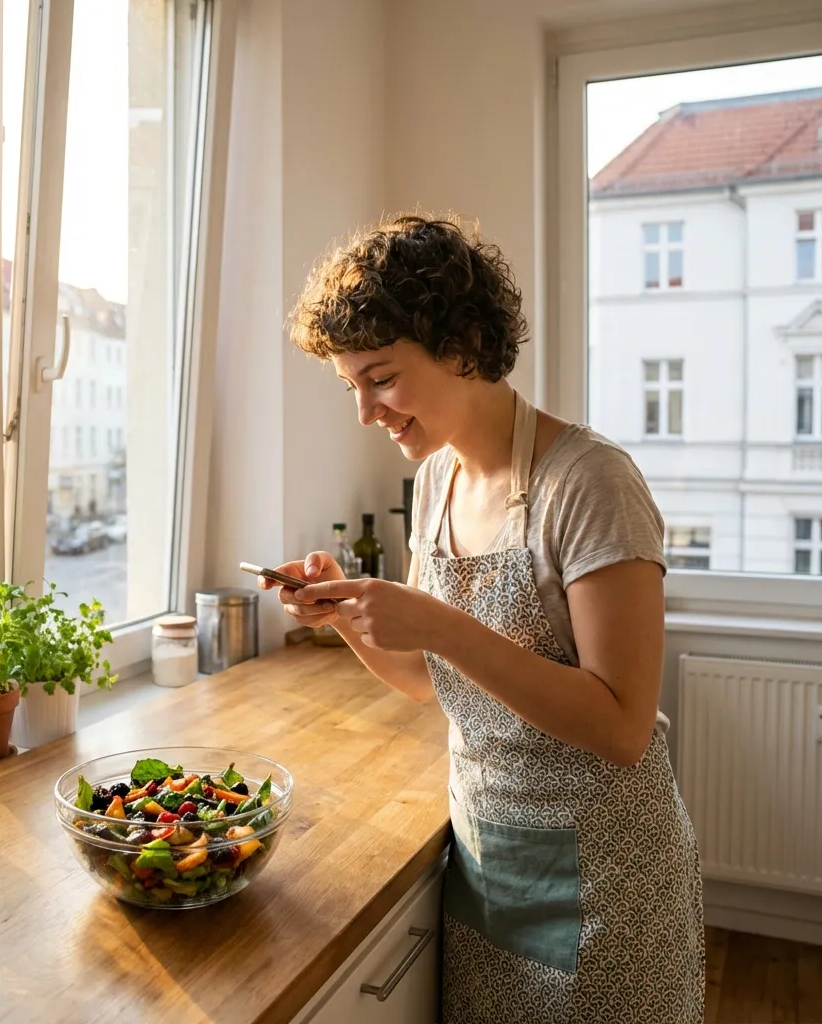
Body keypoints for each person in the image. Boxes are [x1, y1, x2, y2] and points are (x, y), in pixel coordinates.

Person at [261, 215, 704, 1023]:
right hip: (488, 862)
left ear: (462, 344)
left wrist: (435, 622)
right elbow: (427, 682)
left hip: (607, 885)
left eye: (382, 378)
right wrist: (352, 617)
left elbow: (621, 726)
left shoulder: (591, 484)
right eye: (349, 385)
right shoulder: (434, 483)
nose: (365, 411)